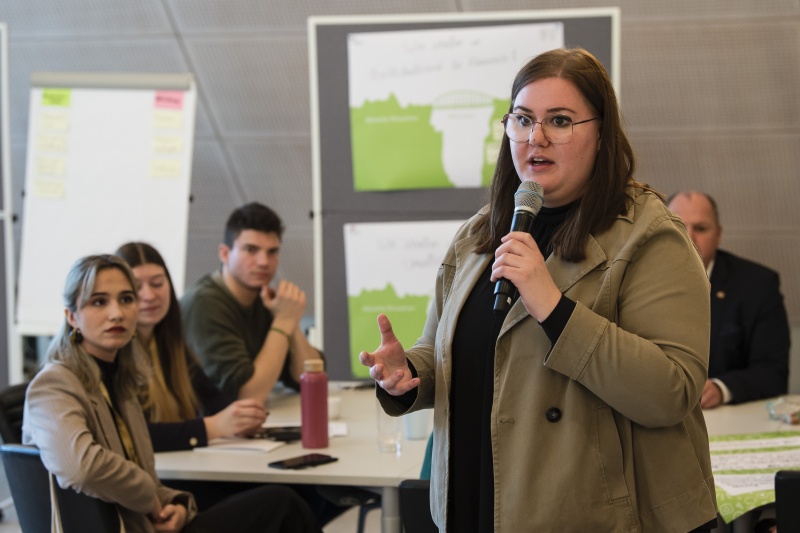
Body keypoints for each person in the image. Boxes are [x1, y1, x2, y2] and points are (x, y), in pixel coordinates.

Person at [360, 48, 718, 532]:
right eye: (523, 119)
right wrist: (409, 374)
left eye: (561, 121)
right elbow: (453, 354)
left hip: (593, 515)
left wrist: (553, 306)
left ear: (601, 135)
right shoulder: (478, 234)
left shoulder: (650, 235)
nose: (537, 137)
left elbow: (670, 392)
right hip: (475, 499)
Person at [22, 254, 321, 533]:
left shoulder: (122, 382)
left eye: (126, 299)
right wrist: (149, 495)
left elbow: (150, 479)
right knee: (283, 504)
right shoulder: (55, 384)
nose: (116, 313)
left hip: (147, 524)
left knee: (285, 501)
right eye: (99, 302)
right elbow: (80, 468)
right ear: (72, 316)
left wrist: (177, 505)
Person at [115, 241, 266, 453]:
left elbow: (214, 400)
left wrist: (242, 419)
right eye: (136, 288)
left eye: (158, 283)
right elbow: (128, 435)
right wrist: (211, 427)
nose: (149, 296)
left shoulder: (169, 343)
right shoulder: (113, 353)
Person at [181, 202, 321, 404]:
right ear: (225, 254)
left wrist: (289, 320)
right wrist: (283, 321)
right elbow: (248, 395)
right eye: (251, 250)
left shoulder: (264, 300)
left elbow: (310, 379)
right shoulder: (204, 304)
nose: (264, 261)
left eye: (272, 252)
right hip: (208, 430)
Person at [666, 191, 790, 409]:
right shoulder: (635, 281)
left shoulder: (758, 285)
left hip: (726, 417)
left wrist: (721, 388)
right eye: (679, 226)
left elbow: (773, 373)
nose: (689, 237)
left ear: (718, 234)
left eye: (701, 228)